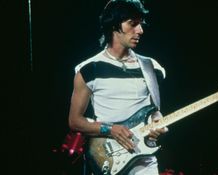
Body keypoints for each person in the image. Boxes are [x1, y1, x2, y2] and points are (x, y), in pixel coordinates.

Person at [68, 0, 168, 174]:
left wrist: (159, 125)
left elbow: (155, 111)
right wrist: (110, 129)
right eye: (133, 24)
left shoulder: (152, 68)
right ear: (114, 25)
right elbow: (75, 121)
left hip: (144, 160)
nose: (140, 30)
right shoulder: (90, 69)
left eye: (140, 24)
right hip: (108, 158)